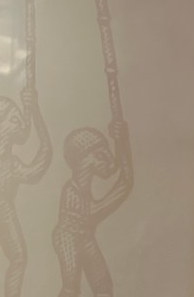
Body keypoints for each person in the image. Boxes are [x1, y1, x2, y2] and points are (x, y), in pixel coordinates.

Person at [0, 88, 52, 297]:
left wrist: (33, 109)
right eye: (14, 119)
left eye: (20, 118)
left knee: (18, 256)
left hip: (1, 202)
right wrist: (32, 110)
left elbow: (36, 168)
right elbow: (32, 167)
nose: (21, 124)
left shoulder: (11, 163)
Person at [52, 121, 133, 297]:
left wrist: (121, 141)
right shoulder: (71, 192)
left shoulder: (82, 192)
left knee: (104, 288)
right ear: (83, 159)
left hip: (84, 236)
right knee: (71, 289)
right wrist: (122, 142)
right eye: (100, 155)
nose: (109, 160)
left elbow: (123, 180)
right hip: (68, 237)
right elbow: (123, 184)